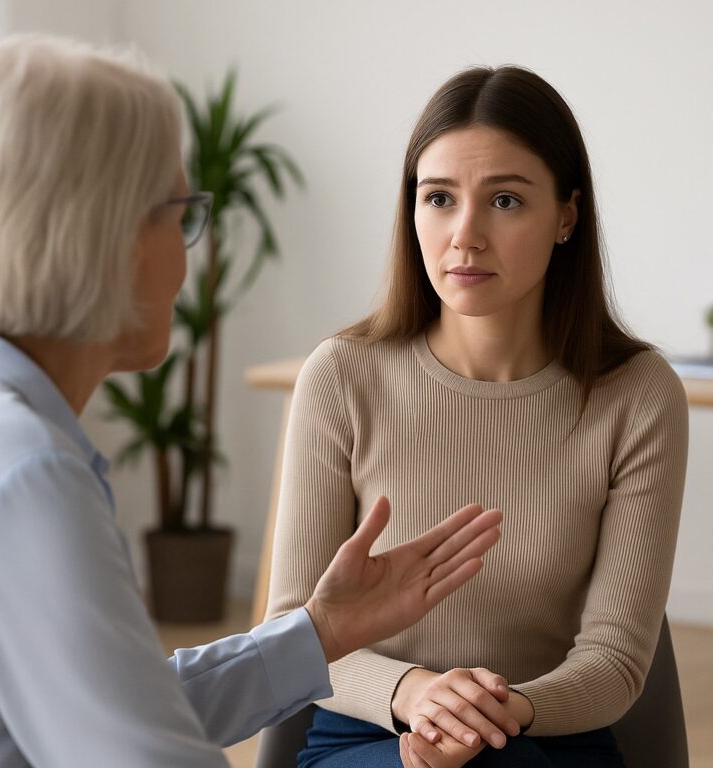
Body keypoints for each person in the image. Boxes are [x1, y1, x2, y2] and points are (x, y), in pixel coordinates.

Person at [0, 36, 505, 768]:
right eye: (179, 215)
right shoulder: (26, 475)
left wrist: (322, 628)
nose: (188, 262)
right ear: (104, 233)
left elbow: (124, 702)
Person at [265, 65, 689, 767]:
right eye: (439, 198)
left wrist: (488, 717)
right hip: (372, 733)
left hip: (549, 736)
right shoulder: (340, 377)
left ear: (567, 216)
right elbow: (291, 630)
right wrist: (416, 696)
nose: (465, 235)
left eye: (505, 200)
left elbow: (615, 660)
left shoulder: (639, 395)